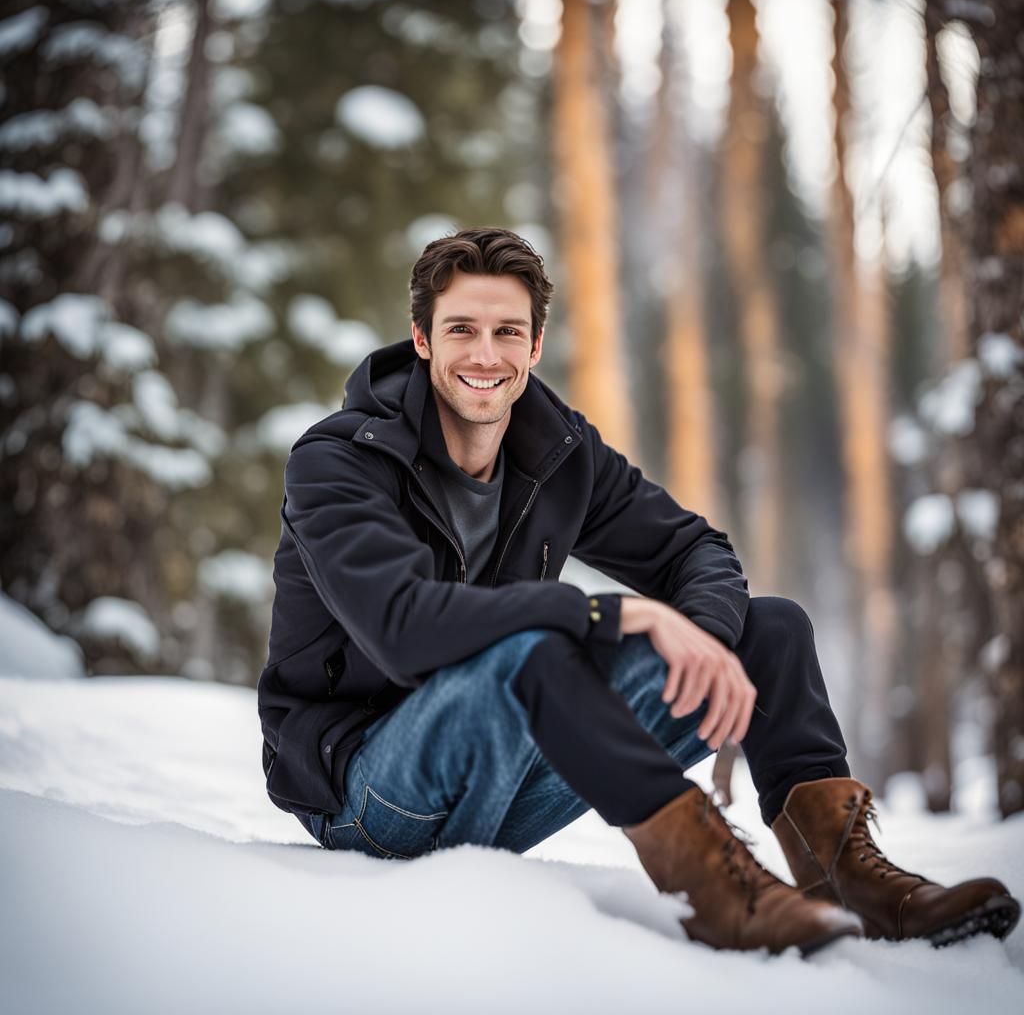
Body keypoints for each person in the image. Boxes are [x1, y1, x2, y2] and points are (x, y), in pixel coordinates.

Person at [258, 227, 1019, 954]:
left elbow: (695, 549)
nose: (485, 355)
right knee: (533, 651)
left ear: (536, 344)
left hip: (509, 770)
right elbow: (401, 628)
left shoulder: (556, 449)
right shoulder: (340, 461)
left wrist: (711, 643)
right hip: (365, 793)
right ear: (421, 340)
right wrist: (610, 612)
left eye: (507, 332)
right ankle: (716, 891)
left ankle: (853, 883)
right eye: (461, 330)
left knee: (772, 630)